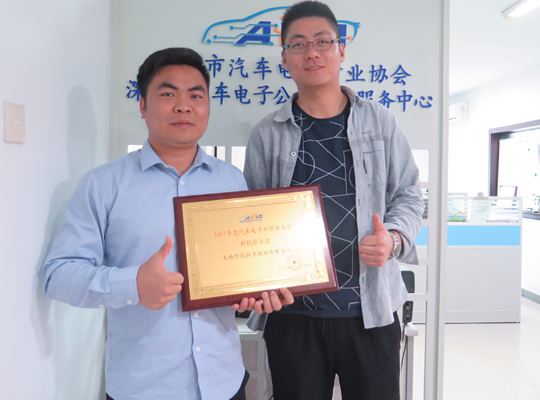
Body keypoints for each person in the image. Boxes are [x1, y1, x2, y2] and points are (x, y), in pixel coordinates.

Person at [43, 47, 293, 400]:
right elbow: (58, 275)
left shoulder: (231, 179)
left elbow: (240, 266)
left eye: (196, 95)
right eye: (168, 94)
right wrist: (132, 283)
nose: (183, 106)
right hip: (143, 387)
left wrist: (256, 292)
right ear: (143, 105)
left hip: (224, 381)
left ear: (207, 106)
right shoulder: (103, 184)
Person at [243, 2, 424, 399]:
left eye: (322, 41)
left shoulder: (380, 121)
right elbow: (252, 219)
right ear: (284, 58)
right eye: (299, 44)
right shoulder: (266, 134)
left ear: (341, 50)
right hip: (293, 315)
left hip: (371, 311)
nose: (312, 52)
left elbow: (409, 193)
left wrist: (393, 238)